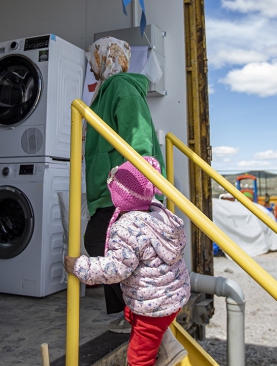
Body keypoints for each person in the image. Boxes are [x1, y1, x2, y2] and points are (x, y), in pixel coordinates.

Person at [65, 158, 190, 366]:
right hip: (173, 296)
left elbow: (115, 270)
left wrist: (79, 266)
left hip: (153, 307)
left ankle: (166, 350)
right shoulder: (157, 213)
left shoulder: (126, 228)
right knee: (131, 313)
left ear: (122, 197)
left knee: (138, 358)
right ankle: (168, 346)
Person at [83, 37, 166, 334]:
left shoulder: (120, 87)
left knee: (101, 243)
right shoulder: (106, 91)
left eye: (94, 61)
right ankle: (130, 313)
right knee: (107, 245)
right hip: (111, 189)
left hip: (124, 191)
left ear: (105, 59)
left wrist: (138, 187)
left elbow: (139, 138)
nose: (92, 68)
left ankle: (134, 313)